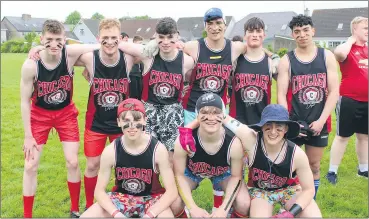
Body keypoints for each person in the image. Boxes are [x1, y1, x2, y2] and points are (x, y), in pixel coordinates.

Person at [21, 19, 100, 218]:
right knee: (30, 166)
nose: (54, 44)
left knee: (73, 162)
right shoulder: (31, 65)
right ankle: (27, 215)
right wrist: (27, 136)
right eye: (49, 40)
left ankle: (74, 209)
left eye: (58, 39)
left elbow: (98, 46)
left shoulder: (69, 54)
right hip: (39, 115)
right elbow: (23, 102)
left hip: (65, 113)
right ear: (41, 39)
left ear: (65, 40)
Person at [80, 98, 178, 218]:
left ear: (145, 120)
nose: (132, 126)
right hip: (121, 198)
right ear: (118, 122)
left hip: (151, 198)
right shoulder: (111, 151)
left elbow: (172, 191)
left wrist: (150, 215)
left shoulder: (158, 149)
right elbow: (99, 192)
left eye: (137, 119)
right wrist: (116, 214)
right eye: (126, 120)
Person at [277, 14, 339, 200]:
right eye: (297, 32)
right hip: (295, 121)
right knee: (290, 166)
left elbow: (334, 91)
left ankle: (310, 203)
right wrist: (289, 123)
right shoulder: (287, 60)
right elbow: (280, 93)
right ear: (293, 35)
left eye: (305, 30)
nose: (302, 35)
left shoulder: (326, 56)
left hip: (318, 120)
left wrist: (321, 121)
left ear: (313, 31)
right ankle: (289, 201)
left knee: (314, 165)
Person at [114, 17, 195, 157]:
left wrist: (184, 46)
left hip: (173, 112)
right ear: (155, 36)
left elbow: (203, 54)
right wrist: (151, 43)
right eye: (161, 37)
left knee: (171, 159)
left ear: (177, 36)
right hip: (150, 112)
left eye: (170, 37)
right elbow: (121, 45)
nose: (165, 42)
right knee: (149, 156)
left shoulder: (186, 61)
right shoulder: (148, 55)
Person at [222, 104, 321, 217]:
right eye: (268, 125)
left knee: (313, 216)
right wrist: (208, 112)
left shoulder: (296, 154)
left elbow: (309, 190)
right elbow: (228, 120)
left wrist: (291, 214)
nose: (273, 131)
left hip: (289, 190)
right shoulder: (252, 141)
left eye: (279, 126)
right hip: (261, 192)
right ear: (262, 127)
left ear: (286, 129)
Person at [172, 93, 250, 218]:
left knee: (244, 203)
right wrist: (193, 208)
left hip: (223, 173)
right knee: (174, 202)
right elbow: (179, 175)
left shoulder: (234, 143)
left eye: (216, 112)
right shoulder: (184, 140)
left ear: (223, 115)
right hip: (192, 172)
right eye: (205, 112)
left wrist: (223, 209)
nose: (211, 117)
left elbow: (236, 176)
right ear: (197, 116)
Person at [326, 16, 368, 184]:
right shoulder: (347, 48)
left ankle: (363, 169)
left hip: (367, 101)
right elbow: (339, 54)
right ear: (355, 30)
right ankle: (332, 171)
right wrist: (351, 40)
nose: (368, 31)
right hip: (349, 99)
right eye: (365, 28)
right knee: (342, 136)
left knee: (364, 136)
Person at [230, 17, 279, 126]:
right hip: (236, 122)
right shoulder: (236, 60)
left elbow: (287, 87)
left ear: (264, 35)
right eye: (251, 31)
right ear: (245, 35)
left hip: (262, 122)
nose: (255, 34)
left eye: (258, 31)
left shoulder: (271, 63)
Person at [129, 35, 144, 100]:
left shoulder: (142, 52)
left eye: (141, 43)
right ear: (134, 43)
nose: (141, 45)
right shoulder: (130, 51)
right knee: (133, 93)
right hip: (132, 74)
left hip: (140, 74)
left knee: (140, 92)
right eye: (139, 43)